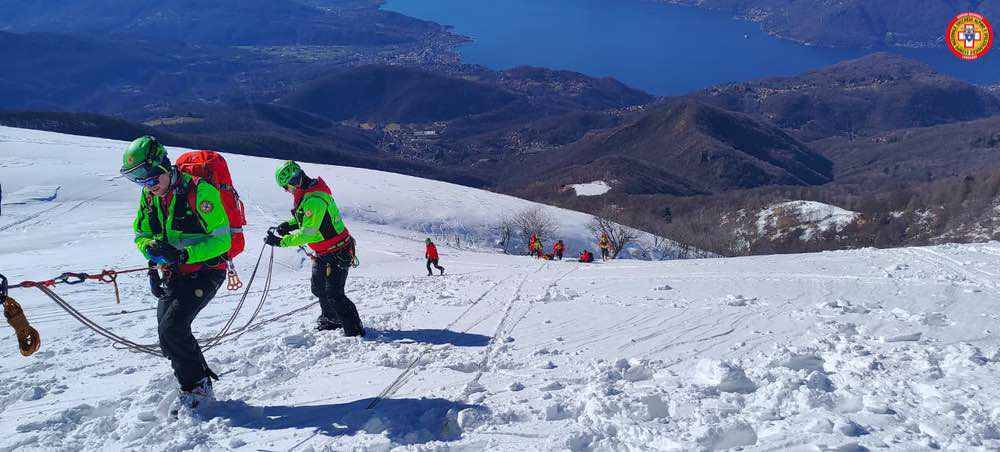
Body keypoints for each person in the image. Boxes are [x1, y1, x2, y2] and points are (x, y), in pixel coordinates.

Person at [121, 136, 231, 409]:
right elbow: (141, 233)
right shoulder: (150, 197)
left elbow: (222, 240)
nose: (147, 186)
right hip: (174, 274)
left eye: (148, 177)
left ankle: (197, 390)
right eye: (138, 180)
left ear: (163, 166)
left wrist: (184, 254)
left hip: (206, 271)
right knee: (166, 336)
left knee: (173, 328)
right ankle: (198, 378)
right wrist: (151, 258)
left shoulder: (200, 192)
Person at [266, 161, 364, 337]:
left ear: (295, 180)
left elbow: (308, 233)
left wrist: (281, 241)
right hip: (325, 251)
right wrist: (289, 225)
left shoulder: (314, 200)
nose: (288, 190)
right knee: (318, 288)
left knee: (335, 294)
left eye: (288, 186)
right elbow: (309, 219)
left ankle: (354, 330)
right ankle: (331, 319)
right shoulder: (308, 194)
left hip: (337, 251)